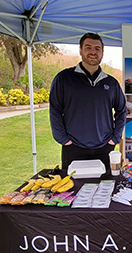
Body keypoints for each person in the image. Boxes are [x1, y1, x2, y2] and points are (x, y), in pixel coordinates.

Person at [49, 33, 126, 170]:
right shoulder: (64, 78)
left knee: (106, 188)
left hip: (104, 148)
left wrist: (114, 138)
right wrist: (64, 140)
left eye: (97, 48)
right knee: (72, 189)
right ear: (80, 51)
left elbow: (121, 110)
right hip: (73, 148)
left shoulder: (111, 83)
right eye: (88, 47)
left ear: (102, 53)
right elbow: (55, 109)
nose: (93, 52)